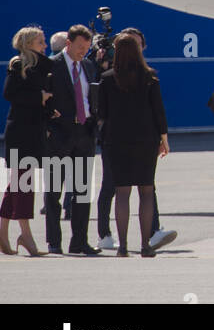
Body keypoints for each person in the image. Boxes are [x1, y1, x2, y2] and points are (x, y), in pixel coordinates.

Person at [94, 33, 169, 257]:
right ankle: (145, 246)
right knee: (146, 191)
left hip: (116, 140)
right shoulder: (149, 76)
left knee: (122, 192)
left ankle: (124, 247)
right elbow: (159, 111)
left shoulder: (107, 78)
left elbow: (102, 112)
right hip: (146, 139)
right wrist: (164, 139)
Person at [0, 27, 57, 256]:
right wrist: (39, 98)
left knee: (17, 184)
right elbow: (10, 94)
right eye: (40, 41)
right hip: (21, 131)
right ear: (29, 43)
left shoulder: (42, 66)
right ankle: (26, 234)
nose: (44, 45)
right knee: (24, 184)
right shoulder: (19, 64)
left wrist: (50, 109)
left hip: (34, 128)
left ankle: (1, 233)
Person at [42, 24, 100, 255]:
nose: (82, 52)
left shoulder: (87, 65)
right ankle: (54, 241)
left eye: (86, 48)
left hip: (83, 133)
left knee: (82, 191)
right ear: (69, 44)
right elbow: (43, 100)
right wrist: (48, 126)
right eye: (79, 47)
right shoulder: (52, 66)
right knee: (54, 191)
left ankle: (79, 241)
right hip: (59, 133)